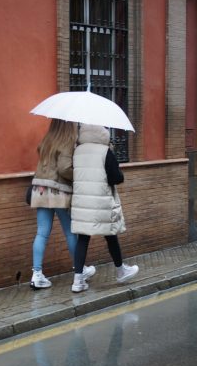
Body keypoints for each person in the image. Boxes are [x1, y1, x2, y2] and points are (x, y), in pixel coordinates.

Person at [70, 123, 139, 293]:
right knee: (110, 235)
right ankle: (121, 270)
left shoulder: (77, 151)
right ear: (103, 133)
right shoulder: (104, 151)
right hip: (101, 201)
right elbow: (116, 177)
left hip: (82, 203)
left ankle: (78, 281)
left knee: (83, 239)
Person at [30, 119, 96, 289]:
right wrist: (80, 175)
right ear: (68, 125)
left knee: (42, 233)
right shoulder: (66, 141)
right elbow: (64, 168)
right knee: (70, 232)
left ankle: (37, 274)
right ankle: (79, 270)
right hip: (59, 191)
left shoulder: (46, 140)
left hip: (40, 189)